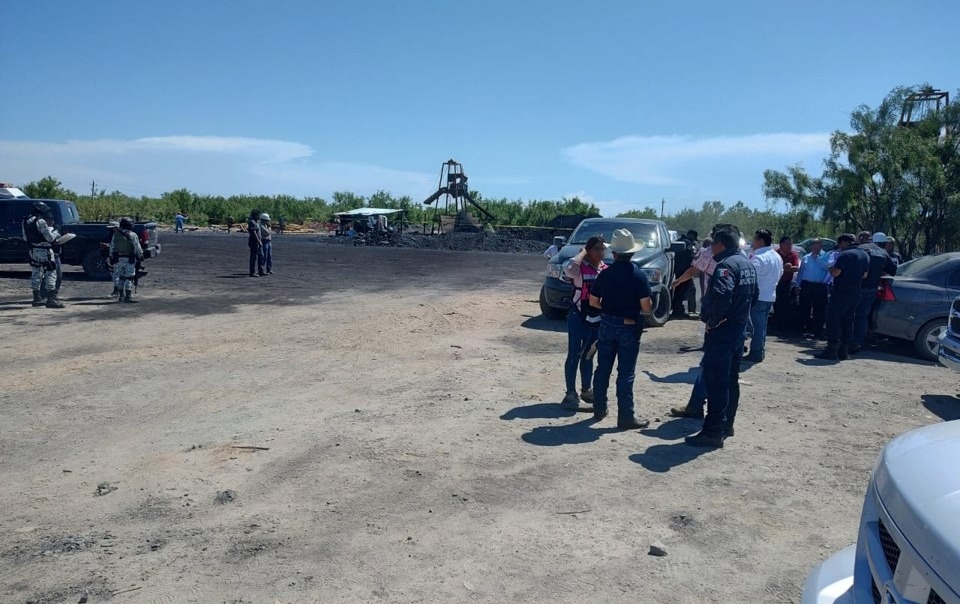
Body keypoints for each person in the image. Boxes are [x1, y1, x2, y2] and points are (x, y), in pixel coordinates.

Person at [685, 226, 757, 448]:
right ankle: (727, 425)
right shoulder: (746, 264)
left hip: (722, 333)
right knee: (731, 380)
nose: (710, 248)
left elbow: (722, 295)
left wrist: (712, 321)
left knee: (716, 381)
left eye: (712, 244)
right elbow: (754, 296)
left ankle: (713, 431)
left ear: (721, 244)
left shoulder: (725, 266)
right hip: (737, 331)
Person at [588, 229, 654, 430]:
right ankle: (625, 416)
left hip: (607, 323)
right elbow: (646, 307)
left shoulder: (605, 274)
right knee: (625, 373)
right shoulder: (638, 275)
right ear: (632, 253)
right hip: (629, 326)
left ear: (614, 253)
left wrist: (608, 309)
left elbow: (593, 301)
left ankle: (599, 409)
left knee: (602, 369)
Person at [560, 236, 607, 410]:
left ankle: (587, 390)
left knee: (588, 355)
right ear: (589, 250)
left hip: (596, 318)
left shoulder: (604, 269)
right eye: (597, 249)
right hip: (578, 316)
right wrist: (582, 252)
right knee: (574, 354)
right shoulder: (580, 268)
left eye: (603, 249)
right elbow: (568, 269)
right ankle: (570, 393)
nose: (601, 252)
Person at [817, 234, 869, 360]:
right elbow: (865, 275)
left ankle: (831, 350)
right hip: (856, 291)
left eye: (839, 245)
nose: (839, 248)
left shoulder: (845, 255)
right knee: (848, 321)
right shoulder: (865, 255)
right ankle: (843, 351)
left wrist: (830, 267)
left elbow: (836, 273)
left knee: (833, 320)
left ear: (844, 243)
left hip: (842, 292)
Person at [850, 232, 897, 354]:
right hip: (872, 289)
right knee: (862, 316)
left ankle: (845, 340)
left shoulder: (862, 248)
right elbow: (893, 271)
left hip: (856, 287)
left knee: (849, 313)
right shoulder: (884, 253)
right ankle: (857, 343)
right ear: (885, 243)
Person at [745, 229, 783, 363]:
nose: (752, 242)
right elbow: (780, 274)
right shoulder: (776, 256)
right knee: (762, 325)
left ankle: (756, 352)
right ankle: (759, 350)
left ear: (760, 241)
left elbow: (750, 277)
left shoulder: (758, 257)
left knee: (756, 326)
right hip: (770, 295)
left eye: (754, 239)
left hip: (758, 296)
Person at [22, 201, 65, 308]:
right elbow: (50, 238)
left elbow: (25, 237)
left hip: (33, 250)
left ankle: (37, 298)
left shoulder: (26, 221)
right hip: (45, 250)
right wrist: (56, 231)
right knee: (51, 273)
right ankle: (51, 299)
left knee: (36, 273)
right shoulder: (41, 221)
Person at [797, 238, 830, 339]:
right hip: (806, 285)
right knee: (804, 308)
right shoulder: (806, 257)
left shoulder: (827, 256)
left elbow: (827, 268)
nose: (813, 247)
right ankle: (802, 330)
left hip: (820, 286)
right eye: (812, 245)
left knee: (819, 310)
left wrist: (817, 258)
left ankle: (817, 332)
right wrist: (798, 285)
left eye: (816, 244)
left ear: (820, 245)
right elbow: (801, 272)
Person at [110, 217, 145, 303]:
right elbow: (137, 247)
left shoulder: (116, 234)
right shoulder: (132, 234)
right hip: (129, 259)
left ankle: (121, 296)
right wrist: (141, 256)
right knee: (129, 278)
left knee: (121, 277)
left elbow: (112, 246)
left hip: (118, 259)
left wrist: (111, 257)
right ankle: (128, 297)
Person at [774, 236, 799, 330]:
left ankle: (783, 326)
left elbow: (796, 268)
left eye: (791, 244)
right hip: (776, 283)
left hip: (786, 283)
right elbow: (775, 268)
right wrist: (786, 268)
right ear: (781, 244)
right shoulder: (775, 254)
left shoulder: (793, 255)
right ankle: (775, 325)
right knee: (776, 304)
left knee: (784, 304)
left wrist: (784, 268)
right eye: (788, 244)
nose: (790, 246)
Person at [671, 230, 697, 317]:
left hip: (676, 269)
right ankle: (679, 311)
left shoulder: (678, 241)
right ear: (692, 236)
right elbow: (690, 257)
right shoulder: (688, 243)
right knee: (683, 291)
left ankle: (678, 309)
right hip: (685, 270)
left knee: (678, 291)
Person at [101, 221, 121, 297]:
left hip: (118, 257)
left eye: (113, 228)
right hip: (111, 257)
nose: (111, 230)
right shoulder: (111, 235)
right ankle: (118, 291)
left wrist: (108, 246)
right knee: (114, 274)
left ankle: (118, 291)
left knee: (117, 275)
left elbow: (118, 246)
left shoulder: (120, 236)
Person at [248, 210, 265, 277]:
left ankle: (261, 271)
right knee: (253, 257)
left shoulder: (256, 222)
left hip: (258, 243)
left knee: (261, 256)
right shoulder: (252, 222)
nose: (259, 216)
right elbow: (254, 232)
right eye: (258, 215)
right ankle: (252, 272)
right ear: (255, 215)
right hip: (254, 243)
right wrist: (259, 241)